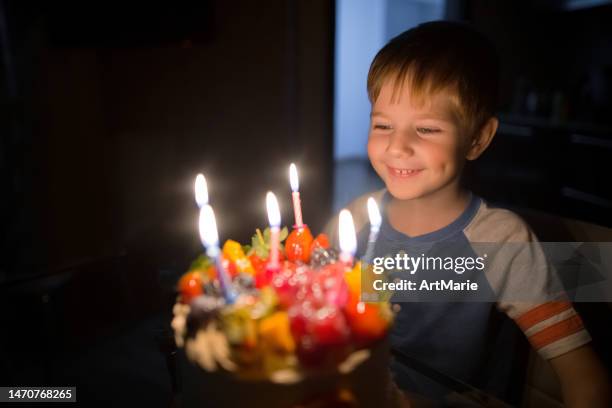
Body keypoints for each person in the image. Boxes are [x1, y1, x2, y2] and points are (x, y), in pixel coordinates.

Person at [326, 21, 611, 406]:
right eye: (383, 125)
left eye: (426, 129)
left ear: (477, 139)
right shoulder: (356, 218)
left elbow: (587, 381)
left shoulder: (501, 241)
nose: (397, 146)